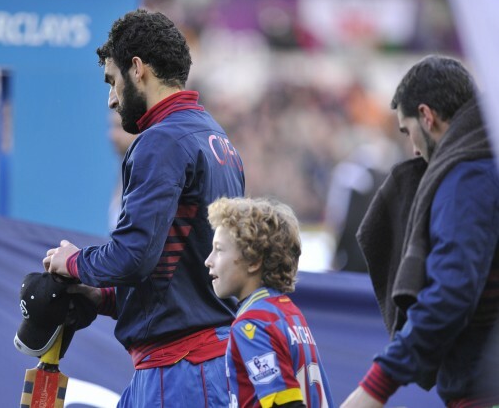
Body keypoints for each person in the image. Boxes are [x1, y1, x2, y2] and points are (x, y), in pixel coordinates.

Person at [44, 9, 245, 407]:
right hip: (201, 363)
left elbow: (133, 255)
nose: (112, 99)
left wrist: (72, 263)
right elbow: (180, 272)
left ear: (137, 69)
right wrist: (102, 297)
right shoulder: (218, 139)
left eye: (112, 81)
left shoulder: (162, 140)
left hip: (180, 370)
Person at [341, 55, 499, 407]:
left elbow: (450, 294)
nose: (412, 148)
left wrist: (375, 386)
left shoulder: (468, 176)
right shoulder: (487, 159)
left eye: (407, 130)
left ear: (427, 116)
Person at [205, 197, 334, 408]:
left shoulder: (252, 324)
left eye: (219, 249)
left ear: (254, 261)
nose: (208, 260)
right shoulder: (291, 313)